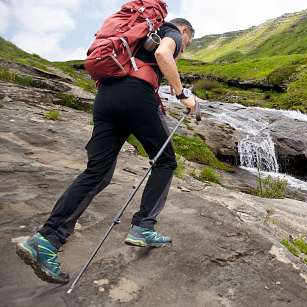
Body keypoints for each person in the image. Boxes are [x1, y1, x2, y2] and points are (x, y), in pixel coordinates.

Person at [15, 18, 196, 284]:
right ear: (185, 31)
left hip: (106, 98)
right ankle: (143, 227)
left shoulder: (139, 35)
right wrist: (182, 95)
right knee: (165, 162)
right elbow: (162, 53)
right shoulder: (172, 31)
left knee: (97, 172)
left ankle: (45, 240)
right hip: (137, 95)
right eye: (188, 42)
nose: (185, 46)